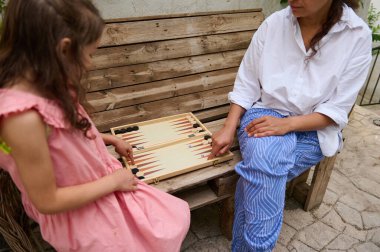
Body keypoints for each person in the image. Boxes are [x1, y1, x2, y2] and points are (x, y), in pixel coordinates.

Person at [0, 1, 190, 251]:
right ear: (64, 49)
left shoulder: (45, 81)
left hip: (99, 191)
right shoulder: (22, 119)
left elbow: (62, 137)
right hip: (82, 216)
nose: (90, 64)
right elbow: (47, 200)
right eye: (90, 54)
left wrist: (108, 140)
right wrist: (113, 182)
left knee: (163, 223)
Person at [209, 0, 372, 251]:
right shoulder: (275, 24)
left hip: (315, 130)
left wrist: (288, 125)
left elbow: (337, 109)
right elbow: (247, 81)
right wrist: (229, 127)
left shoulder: (357, 36)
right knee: (264, 165)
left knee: (257, 175)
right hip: (263, 115)